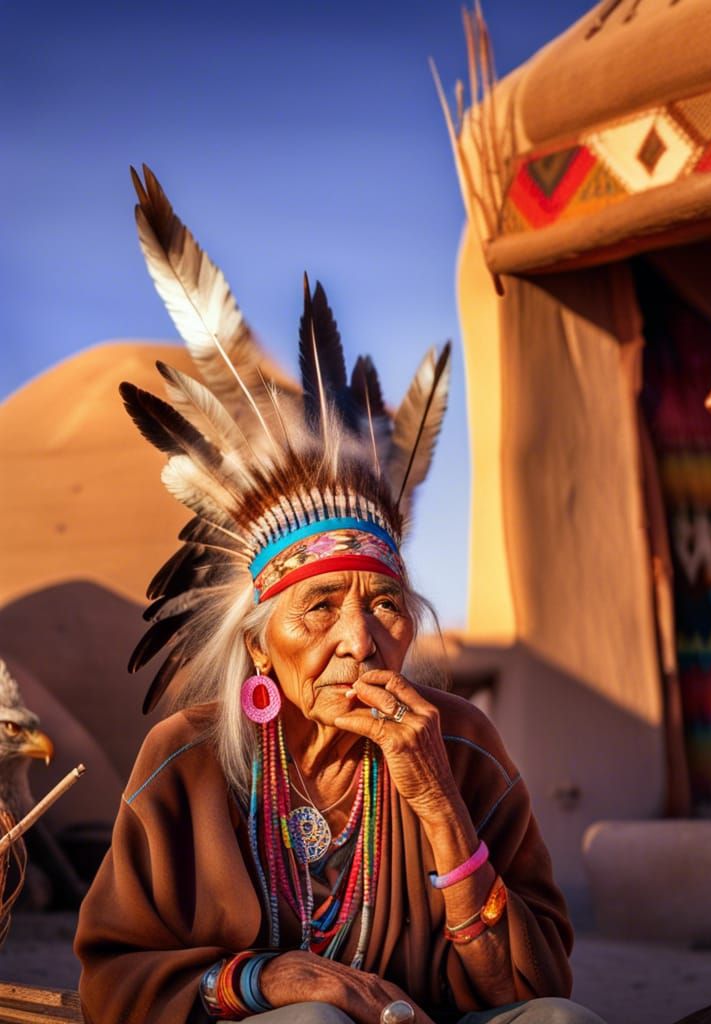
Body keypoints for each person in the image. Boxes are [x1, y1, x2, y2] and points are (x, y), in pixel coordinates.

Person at [73, 167, 605, 1024]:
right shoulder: (189, 761)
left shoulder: (462, 746)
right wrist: (265, 981)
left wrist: (436, 802)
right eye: (318, 609)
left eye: (386, 606)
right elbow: (113, 978)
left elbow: (532, 990)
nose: (359, 639)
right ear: (257, 643)